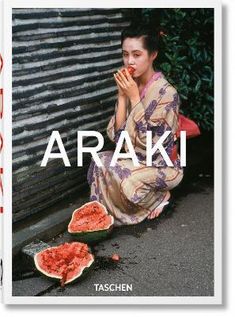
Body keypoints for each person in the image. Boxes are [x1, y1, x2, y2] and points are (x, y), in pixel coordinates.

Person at [87, 22, 184, 226]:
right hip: (134, 156)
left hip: (161, 164)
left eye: (137, 55)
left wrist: (134, 99)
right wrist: (122, 98)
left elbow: (153, 147)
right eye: (125, 54)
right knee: (99, 161)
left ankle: (159, 197)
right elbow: (117, 138)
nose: (129, 61)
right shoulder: (131, 85)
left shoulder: (167, 94)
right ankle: (103, 216)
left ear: (153, 55)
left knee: (126, 180)